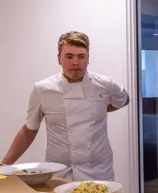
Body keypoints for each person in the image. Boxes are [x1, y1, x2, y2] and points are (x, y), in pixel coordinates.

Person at [1, 31, 129, 181]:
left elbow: (124, 99)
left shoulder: (105, 84)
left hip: (97, 172)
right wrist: (5, 164)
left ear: (88, 59)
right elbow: (29, 128)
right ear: (59, 59)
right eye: (69, 56)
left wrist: (103, 108)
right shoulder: (43, 89)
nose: (75, 62)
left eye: (81, 56)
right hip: (59, 172)